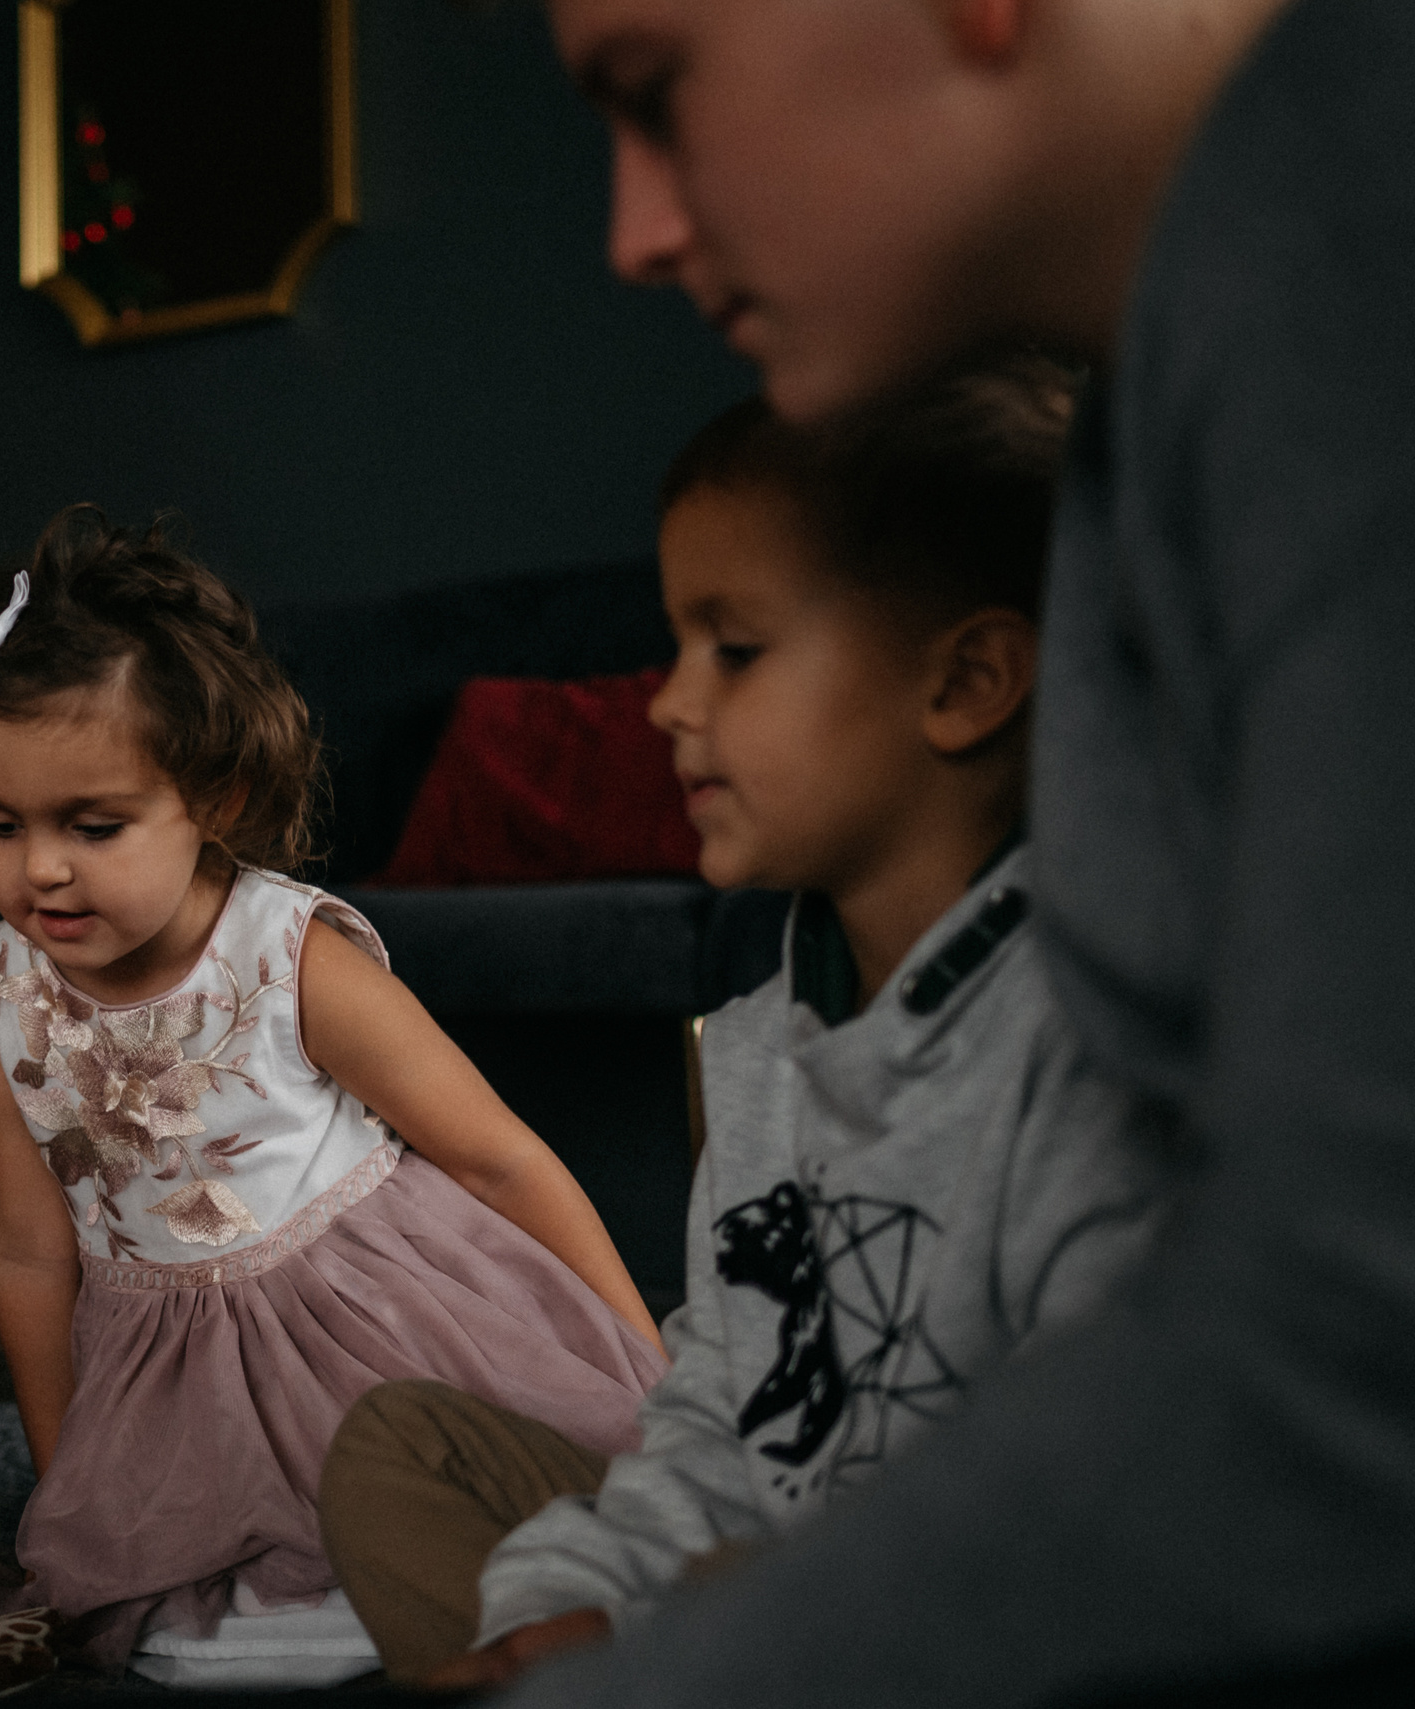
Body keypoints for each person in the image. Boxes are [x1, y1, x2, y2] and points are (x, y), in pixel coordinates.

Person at [496, 0, 1415, 1701]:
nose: (635, 233)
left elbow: (1347, 1339)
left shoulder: (1349, 255)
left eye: (654, 89)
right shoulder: (1200, 361)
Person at [321, 356, 1167, 1685]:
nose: (667, 699)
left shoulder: (1083, 1034)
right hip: (772, 1555)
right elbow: (712, 1415)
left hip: (972, 1606)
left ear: (966, 683)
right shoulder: (766, 1041)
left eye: (737, 647)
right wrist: (570, 1599)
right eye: (677, 645)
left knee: (741, 1591)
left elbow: (1100, 1509)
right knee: (397, 1453)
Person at [0, 507, 668, 1669]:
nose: (38, 866)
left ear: (209, 796)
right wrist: (69, 1493)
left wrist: (640, 1362)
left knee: (449, 1547)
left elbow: (493, 1155)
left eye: (92, 823)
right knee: (174, 1622)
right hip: (164, 1365)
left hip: (363, 1329)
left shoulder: (289, 955)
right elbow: (26, 1247)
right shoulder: (1, 986)